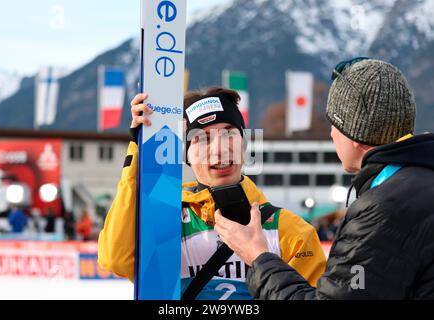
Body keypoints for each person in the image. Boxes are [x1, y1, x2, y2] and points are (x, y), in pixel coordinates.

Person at [214, 59, 434, 299]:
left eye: (333, 124)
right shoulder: (418, 180)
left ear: (354, 134)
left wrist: (257, 256)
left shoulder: (384, 209)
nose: (330, 133)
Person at [98, 87, 327, 300]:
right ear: (185, 154)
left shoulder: (291, 231)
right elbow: (116, 260)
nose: (219, 149)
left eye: (229, 134)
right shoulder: (167, 220)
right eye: (202, 138)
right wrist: (140, 151)